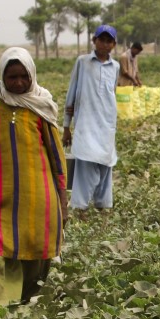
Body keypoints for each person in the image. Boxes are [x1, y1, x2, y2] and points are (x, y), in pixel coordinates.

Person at [0, 47, 68, 314]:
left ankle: (17, 313)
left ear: (32, 75)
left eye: (23, 77)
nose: (18, 83)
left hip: (37, 203)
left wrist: (63, 203)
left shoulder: (41, 105)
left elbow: (57, 159)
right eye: (12, 78)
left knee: (34, 263)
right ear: (2, 77)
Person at [62, 24, 120, 212]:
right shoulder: (83, 62)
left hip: (106, 126)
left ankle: (103, 207)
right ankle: (80, 208)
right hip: (86, 126)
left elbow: (112, 94)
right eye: (101, 40)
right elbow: (72, 94)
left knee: (105, 167)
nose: (104, 44)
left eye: (108, 41)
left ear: (114, 44)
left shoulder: (115, 66)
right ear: (94, 41)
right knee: (84, 168)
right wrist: (66, 126)